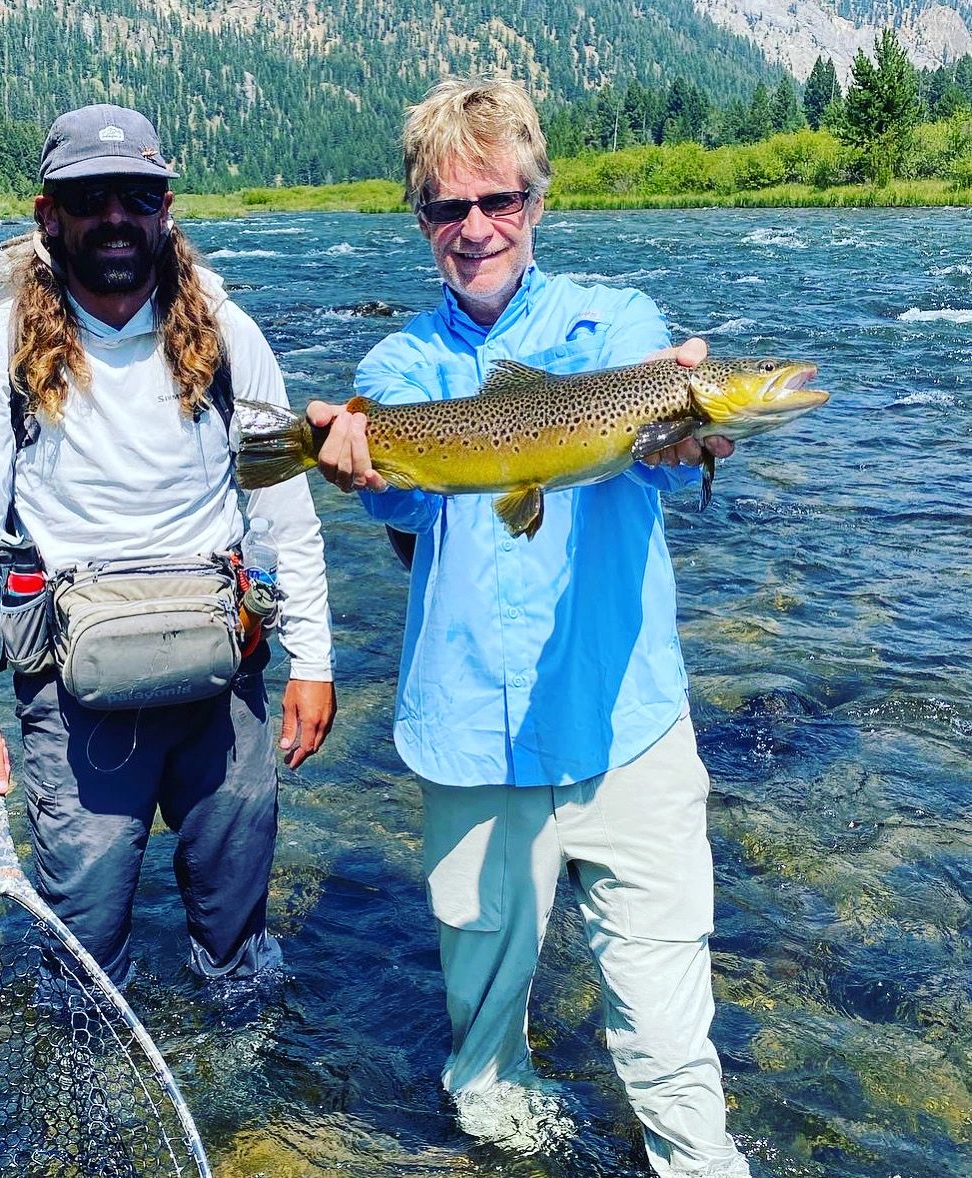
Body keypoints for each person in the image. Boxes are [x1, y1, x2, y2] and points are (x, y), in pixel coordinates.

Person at [308, 77, 750, 1177]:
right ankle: (494, 1146)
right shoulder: (396, 369)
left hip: (623, 721)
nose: (475, 229)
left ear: (535, 202)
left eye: (496, 200)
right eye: (447, 210)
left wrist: (678, 433)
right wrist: (361, 474)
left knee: (664, 1028)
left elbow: (653, 434)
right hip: (470, 734)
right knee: (484, 1039)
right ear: (419, 222)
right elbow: (409, 509)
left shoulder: (625, 328)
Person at [0, 103, 336, 988]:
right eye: (89, 197)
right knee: (82, 954)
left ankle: (244, 1108)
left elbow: (284, 513)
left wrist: (314, 660)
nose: (115, 216)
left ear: (165, 208)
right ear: (49, 216)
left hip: (222, 685)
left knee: (237, 942)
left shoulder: (231, 337)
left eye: (138, 195)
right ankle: (88, 1097)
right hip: (75, 699)